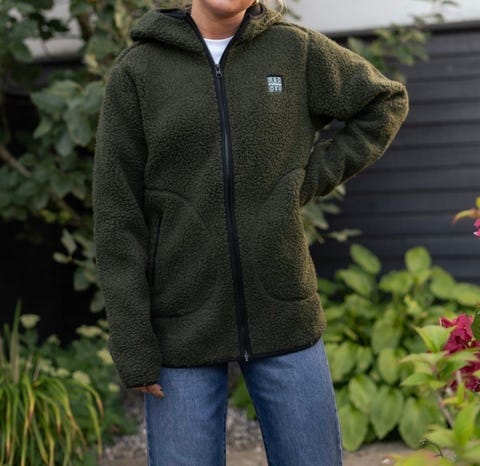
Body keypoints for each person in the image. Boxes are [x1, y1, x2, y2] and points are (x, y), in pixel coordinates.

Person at [92, 0, 409, 464]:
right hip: (180, 323)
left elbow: (384, 102)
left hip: (285, 311)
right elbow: (117, 216)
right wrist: (132, 340)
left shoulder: (295, 51)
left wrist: (305, 179)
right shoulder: (139, 70)